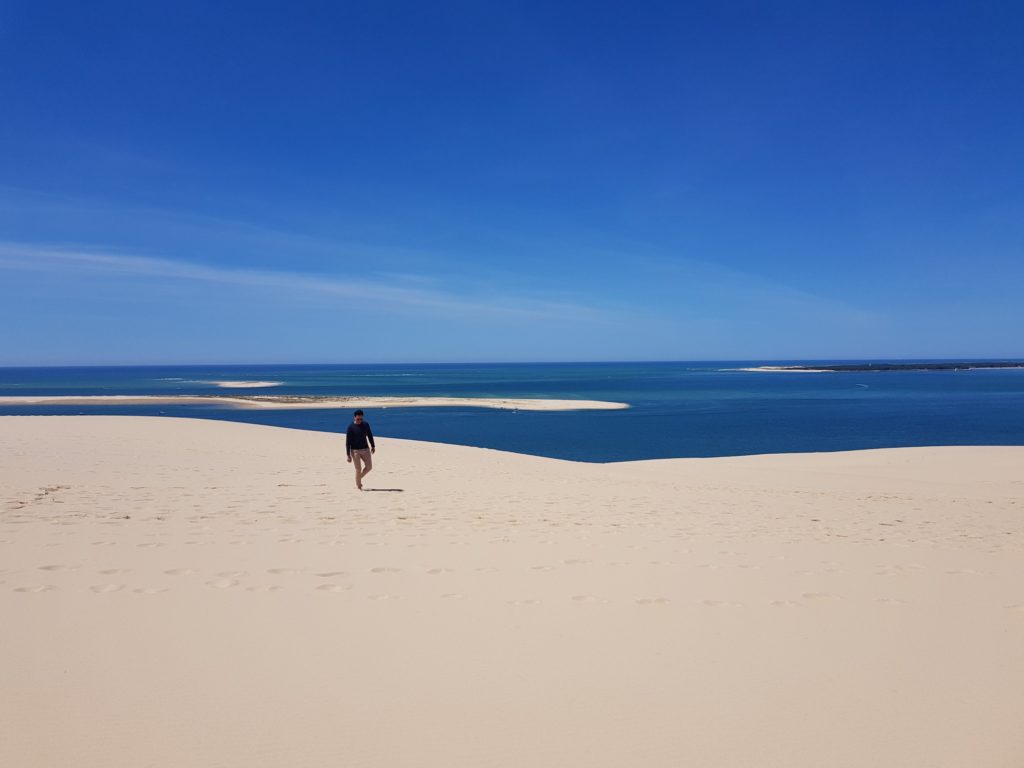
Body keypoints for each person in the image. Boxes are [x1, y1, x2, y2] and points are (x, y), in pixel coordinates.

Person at [346, 409, 376, 490]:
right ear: (354, 417)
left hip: (365, 449)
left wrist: (373, 446)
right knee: (358, 469)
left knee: (369, 467)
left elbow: (370, 435)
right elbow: (348, 441)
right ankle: (359, 485)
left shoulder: (365, 425)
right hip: (355, 451)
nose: (359, 420)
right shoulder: (350, 427)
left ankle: (358, 478)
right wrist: (348, 455)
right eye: (358, 419)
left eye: (361, 419)